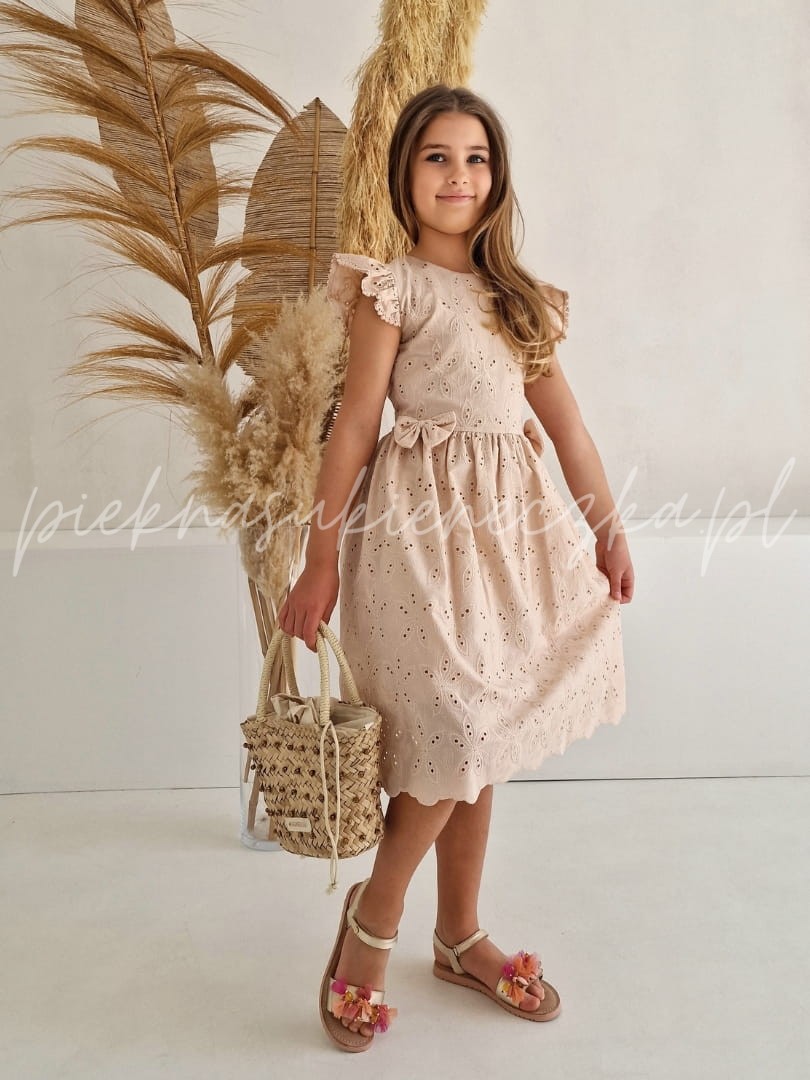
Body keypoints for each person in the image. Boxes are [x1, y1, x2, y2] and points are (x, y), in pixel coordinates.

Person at [278, 83, 634, 1052]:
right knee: (456, 727)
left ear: (497, 177)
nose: (458, 175)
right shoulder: (393, 291)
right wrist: (319, 559)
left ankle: (459, 934)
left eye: (476, 158)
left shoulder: (518, 301)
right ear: (405, 175)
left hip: (507, 549)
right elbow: (355, 425)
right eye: (437, 156)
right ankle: (375, 919)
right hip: (418, 545)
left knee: (486, 739)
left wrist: (606, 529)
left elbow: (568, 427)